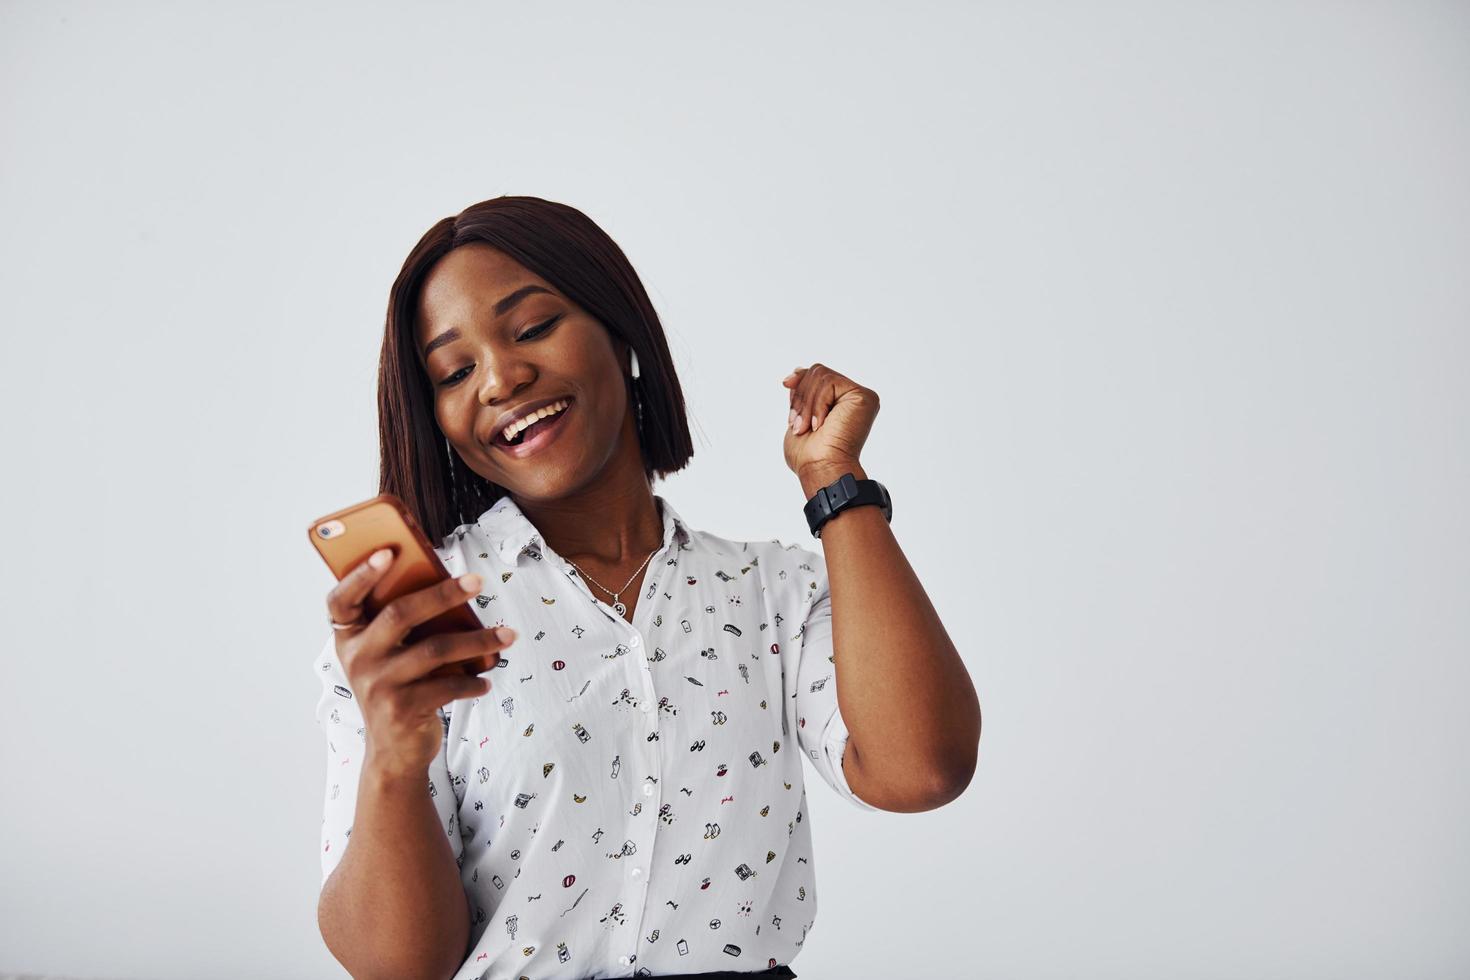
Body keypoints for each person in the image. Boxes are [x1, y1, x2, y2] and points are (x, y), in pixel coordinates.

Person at [312, 195, 981, 980]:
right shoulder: (417, 627)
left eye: (531, 328)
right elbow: (397, 968)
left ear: (620, 330)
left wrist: (836, 484)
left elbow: (923, 768)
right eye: (455, 371)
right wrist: (393, 759)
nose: (501, 378)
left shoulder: (770, 591)